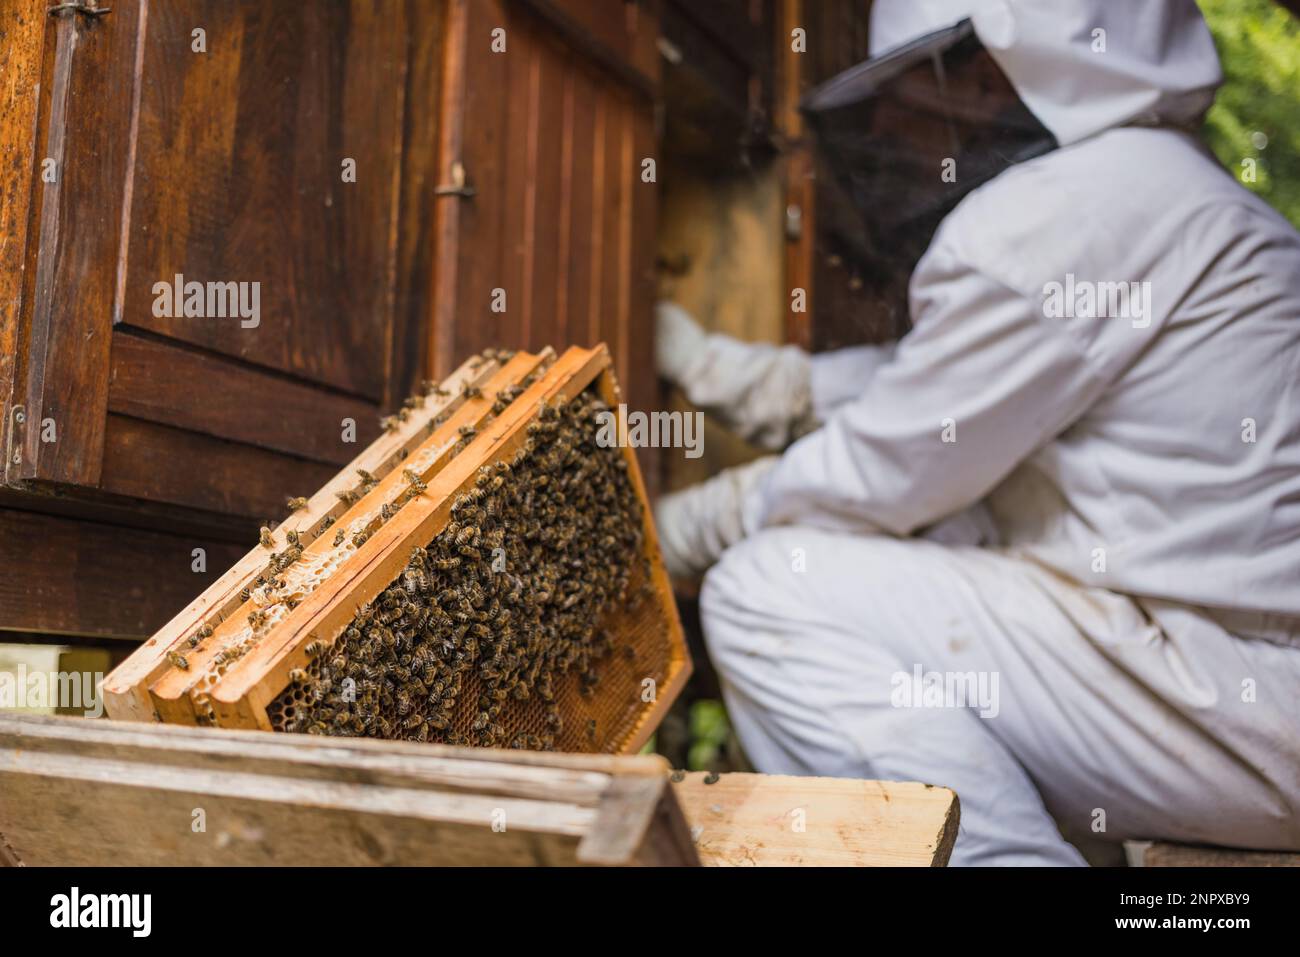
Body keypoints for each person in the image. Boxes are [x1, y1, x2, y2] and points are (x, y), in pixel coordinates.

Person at [653, 0, 1300, 865]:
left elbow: (882, 471)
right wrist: (716, 368)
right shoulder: (1158, 187)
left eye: (916, 78)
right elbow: (926, 386)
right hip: (1233, 683)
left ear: (1000, 68)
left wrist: (679, 530)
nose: (885, 119)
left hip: (1231, 699)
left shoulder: (1068, 212)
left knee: (768, 586)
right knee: (954, 536)